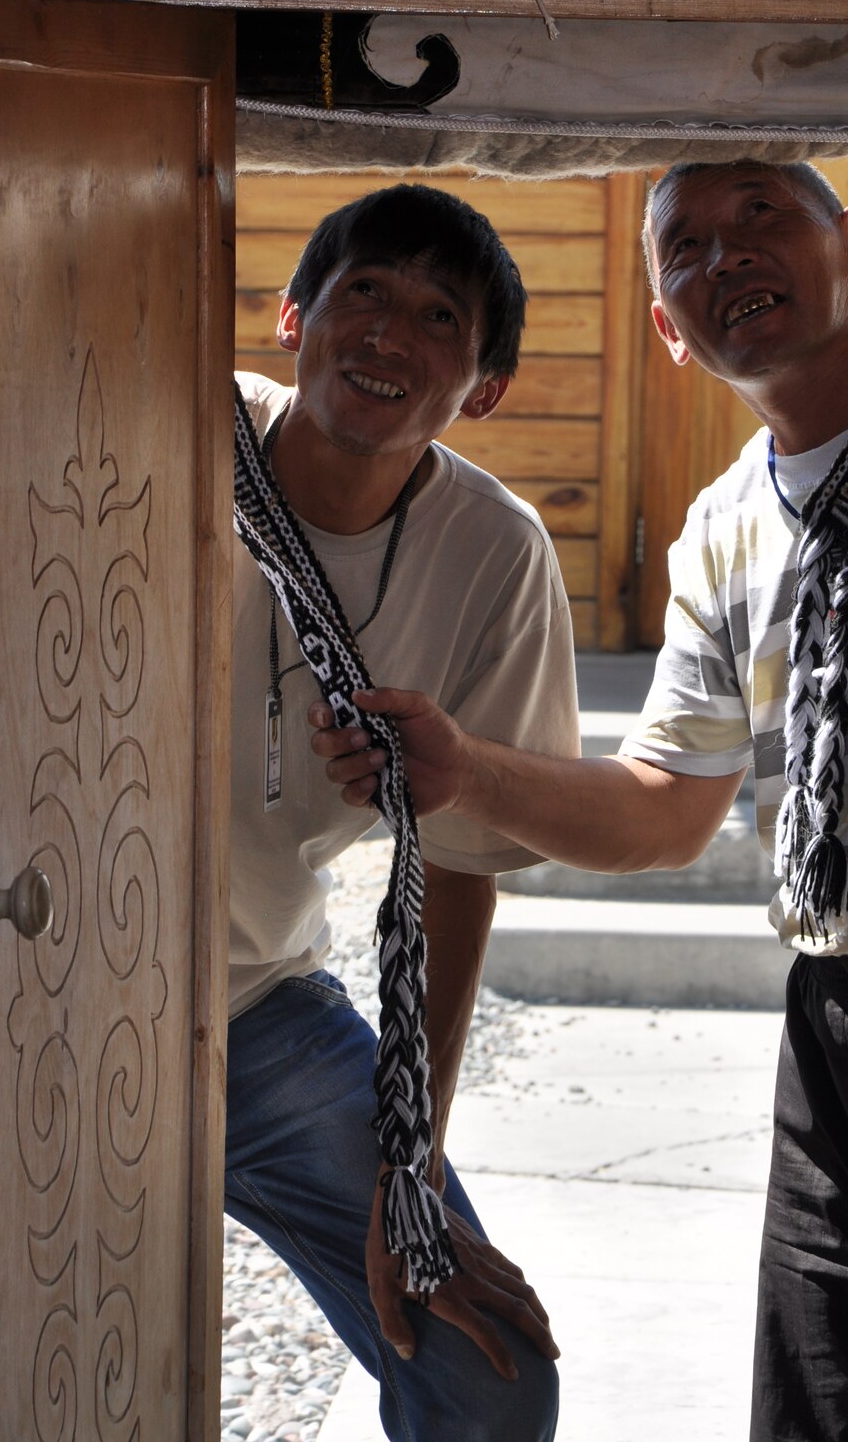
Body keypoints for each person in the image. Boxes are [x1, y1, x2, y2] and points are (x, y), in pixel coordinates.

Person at [314, 159, 848, 1442]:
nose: (725, 259)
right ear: (666, 328)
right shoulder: (721, 524)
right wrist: (465, 771)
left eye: (761, 215)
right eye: (686, 248)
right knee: (829, 1400)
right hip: (835, 1020)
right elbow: (666, 806)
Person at [227, 182, 577, 1442]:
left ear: (478, 385)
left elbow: (471, 862)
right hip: (43, 992)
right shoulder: (167, 425)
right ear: (291, 316)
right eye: (362, 290)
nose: (388, 332)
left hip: (252, 1004)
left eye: (439, 315)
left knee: (487, 1372)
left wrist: (409, 1158)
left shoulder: (493, 549)